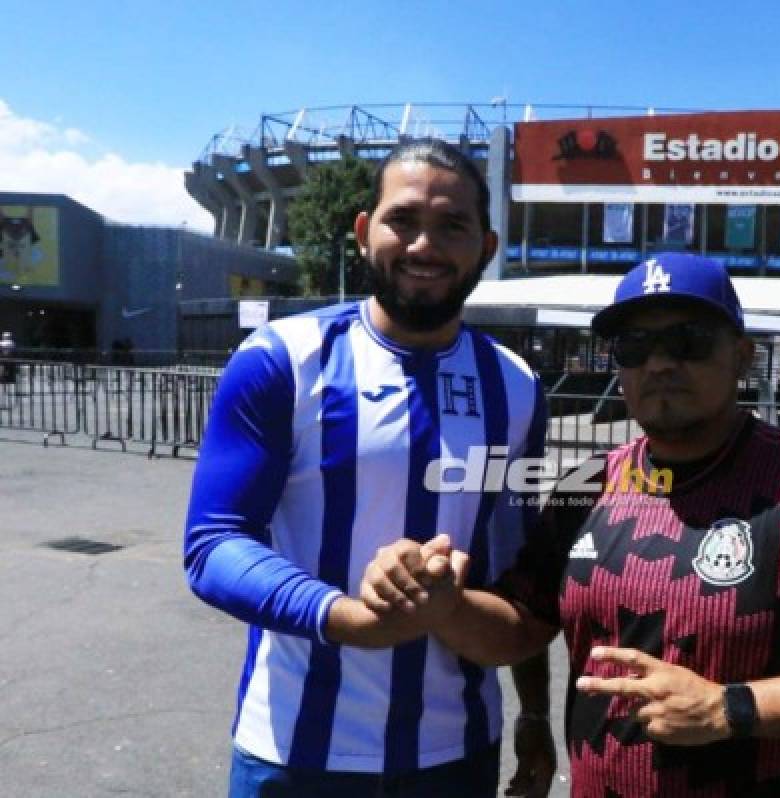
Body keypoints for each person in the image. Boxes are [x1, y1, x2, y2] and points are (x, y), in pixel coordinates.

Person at [362, 253, 780, 796]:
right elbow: (520, 624)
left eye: (688, 340)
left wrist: (730, 709)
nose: (661, 363)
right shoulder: (585, 486)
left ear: (743, 356)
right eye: (635, 346)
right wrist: (444, 605)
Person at [184, 137, 556, 797]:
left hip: (457, 754)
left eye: (452, 226)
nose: (424, 246)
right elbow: (213, 546)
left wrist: (533, 710)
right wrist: (350, 618)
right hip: (295, 754)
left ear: (487, 248)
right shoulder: (281, 360)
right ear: (364, 232)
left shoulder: (518, 385)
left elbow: (516, 572)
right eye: (403, 220)